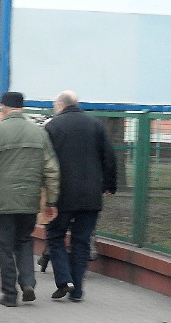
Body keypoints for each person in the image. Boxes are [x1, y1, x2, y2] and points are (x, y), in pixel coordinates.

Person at [0, 92, 60, 307]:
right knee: (24, 240)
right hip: (29, 200)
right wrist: (51, 201)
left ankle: (10, 295)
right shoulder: (39, 134)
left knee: (5, 247)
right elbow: (52, 170)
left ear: (3, 108)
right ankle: (28, 282)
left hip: (1, 202)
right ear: (23, 108)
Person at [44, 90, 117, 302]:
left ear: (60, 105)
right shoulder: (96, 125)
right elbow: (109, 157)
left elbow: (46, 162)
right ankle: (77, 291)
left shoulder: (52, 127)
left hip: (62, 196)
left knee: (55, 236)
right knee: (82, 241)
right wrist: (109, 185)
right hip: (91, 196)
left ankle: (65, 280)